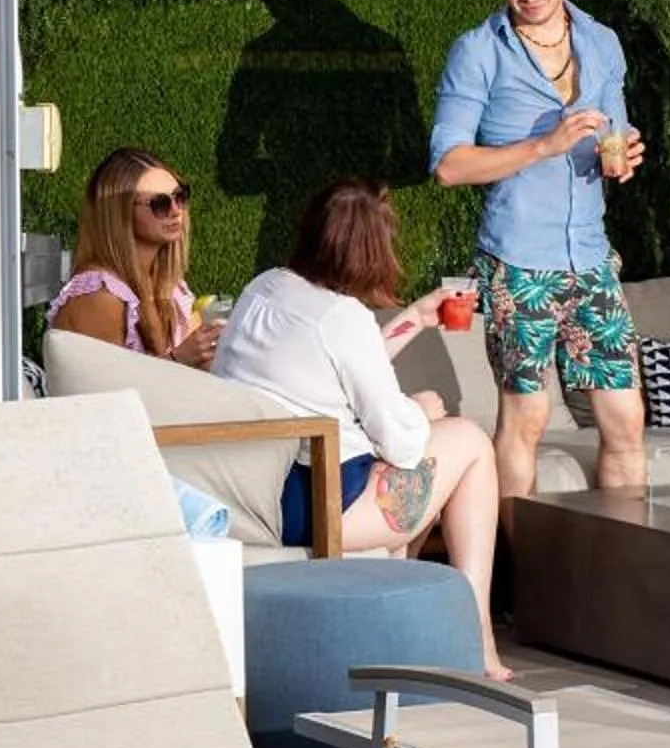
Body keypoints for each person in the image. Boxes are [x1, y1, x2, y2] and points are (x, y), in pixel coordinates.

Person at [213, 178, 512, 680]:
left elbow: (334, 366)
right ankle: (475, 633)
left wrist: (414, 319)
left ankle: (410, 629)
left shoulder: (265, 288)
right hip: (323, 506)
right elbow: (402, 441)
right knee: (472, 444)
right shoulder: (342, 317)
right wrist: (420, 410)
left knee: (432, 442)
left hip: (261, 489)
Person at [430, 0, 648, 495]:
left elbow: (614, 135)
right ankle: (514, 570)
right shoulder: (477, 51)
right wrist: (542, 145)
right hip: (519, 260)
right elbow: (448, 165)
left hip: (591, 256)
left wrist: (623, 155)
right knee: (527, 417)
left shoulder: (601, 43)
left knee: (626, 420)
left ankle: (623, 563)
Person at [48, 148, 221, 366]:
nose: (176, 210)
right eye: (159, 203)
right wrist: (180, 360)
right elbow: (100, 391)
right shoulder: (100, 297)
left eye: (180, 196)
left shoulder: (169, 287)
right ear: (120, 214)